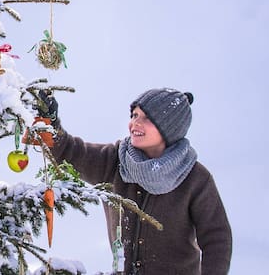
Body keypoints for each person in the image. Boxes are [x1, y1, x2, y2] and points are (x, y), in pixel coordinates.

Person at [41, 88, 232, 274]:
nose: (135, 123)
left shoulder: (194, 177)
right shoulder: (116, 160)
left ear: (169, 128)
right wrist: (50, 123)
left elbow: (217, 238)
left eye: (146, 118)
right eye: (134, 115)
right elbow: (72, 152)